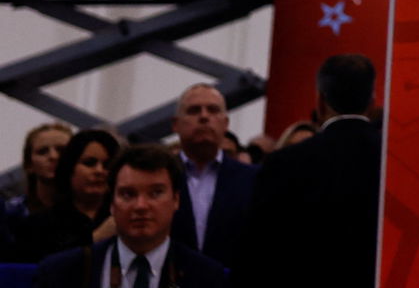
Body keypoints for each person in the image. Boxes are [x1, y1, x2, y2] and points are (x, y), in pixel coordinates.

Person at [237, 54, 381, 288]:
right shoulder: (391, 164)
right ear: (372, 102)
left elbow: (257, 252)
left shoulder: (283, 163)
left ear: (320, 102)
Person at [33, 144, 226, 288]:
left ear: (176, 200)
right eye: (128, 194)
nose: (141, 206)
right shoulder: (61, 272)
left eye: (155, 193)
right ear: (111, 203)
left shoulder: (206, 277)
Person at [169, 83, 256, 270]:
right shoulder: (160, 176)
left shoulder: (253, 179)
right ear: (175, 124)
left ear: (225, 124)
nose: (204, 116)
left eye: (213, 110)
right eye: (194, 110)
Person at [11, 128, 119, 262]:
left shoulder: (124, 215)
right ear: (70, 167)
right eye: (89, 163)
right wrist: (96, 238)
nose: (99, 171)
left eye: (107, 165)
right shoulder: (36, 225)